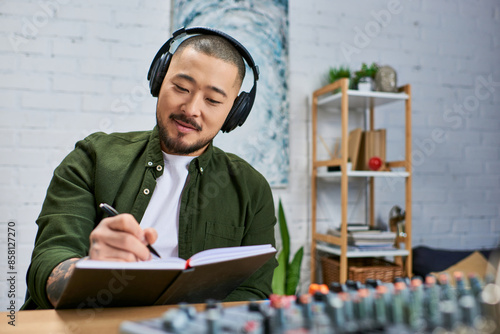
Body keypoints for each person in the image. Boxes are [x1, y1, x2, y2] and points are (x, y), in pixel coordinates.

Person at [22, 27, 277, 310]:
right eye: (181, 88)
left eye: (213, 100)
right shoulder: (92, 157)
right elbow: (48, 260)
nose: (191, 108)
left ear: (234, 112)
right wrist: (87, 270)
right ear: (159, 80)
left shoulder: (252, 189)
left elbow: (253, 291)